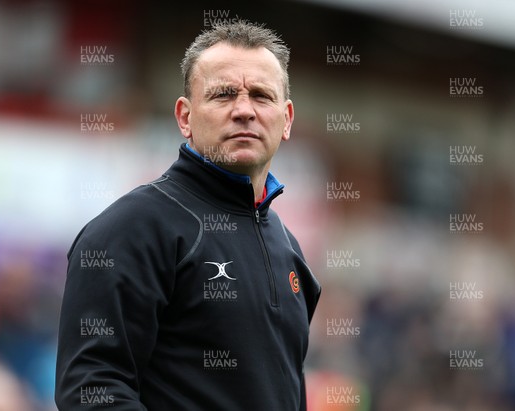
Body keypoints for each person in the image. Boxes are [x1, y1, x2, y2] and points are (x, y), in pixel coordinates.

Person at [55, 21, 321, 410]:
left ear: (287, 119)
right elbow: (91, 389)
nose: (244, 110)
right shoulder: (132, 229)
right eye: (223, 95)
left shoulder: (287, 247)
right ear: (185, 117)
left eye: (261, 96)